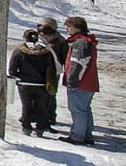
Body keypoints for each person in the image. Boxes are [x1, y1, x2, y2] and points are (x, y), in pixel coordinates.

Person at [8, 29, 55, 136]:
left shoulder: (19, 50)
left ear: (24, 38)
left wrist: (17, 77)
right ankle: (40, 128)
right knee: (41, 107)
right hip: (41, 84)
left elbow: (12, 69)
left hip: (24, 83)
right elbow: (51, 67)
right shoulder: (45, 51)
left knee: (26, 105)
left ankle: (26, 126)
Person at [60, 16, 99, 146]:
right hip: (89, 83)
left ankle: (77, 136)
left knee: (77, 109)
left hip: (81, 83)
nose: (67, 29)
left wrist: (72, 80)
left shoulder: (80, 43)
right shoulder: (87, 41)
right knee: (85, 109)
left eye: (69, 26)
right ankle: (87, 134)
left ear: (77, 27)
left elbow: (78, 64)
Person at [37, 17, 67, 130]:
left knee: (50, 93)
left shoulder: (60, 40)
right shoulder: (38, 37)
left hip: (53, 70)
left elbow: (65, 56)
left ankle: (50, 116)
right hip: (39, 70)